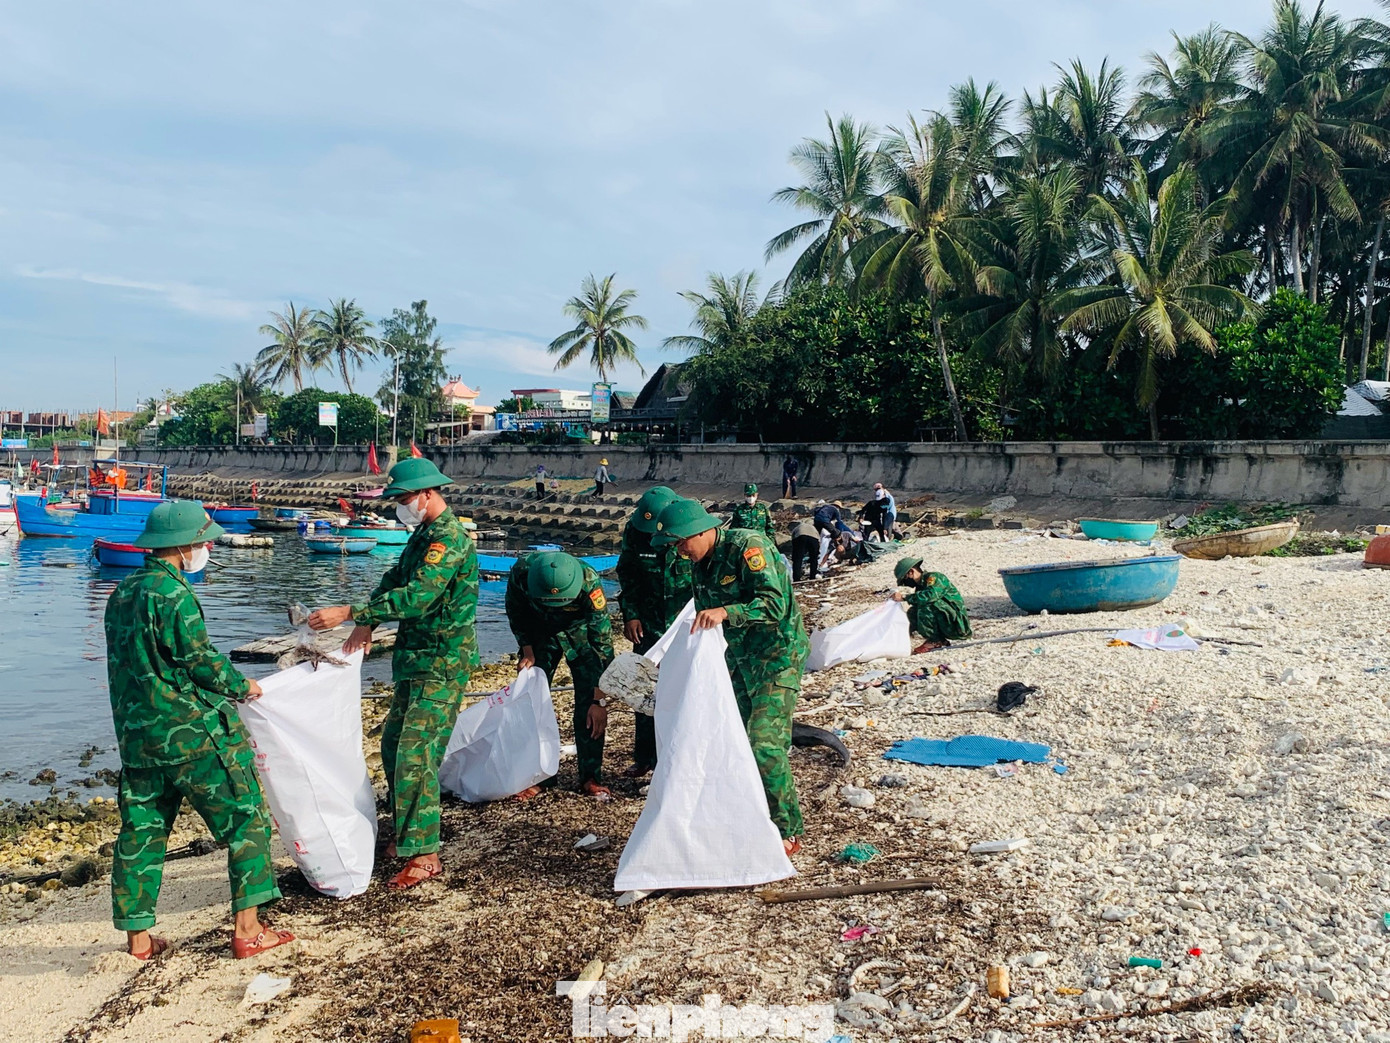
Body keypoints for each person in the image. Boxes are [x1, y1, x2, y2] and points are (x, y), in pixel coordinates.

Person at [104, 501, 291, 961]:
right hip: (192, 735)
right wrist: (242, 685)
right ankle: (249, 931)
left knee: (141, 835)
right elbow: (199, 661)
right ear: (183, 545)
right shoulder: (174, 595)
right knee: (246, 820)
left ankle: (139, 942)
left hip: (138, 741)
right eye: (203, 540)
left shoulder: (121, 592)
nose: (207, 547)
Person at [308, 457, 479, 890]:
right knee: (392, 745)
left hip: (442, 663)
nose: (400, 507)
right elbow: (395, 578)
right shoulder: (423, 534)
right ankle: (406, 834)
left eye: (404, 499)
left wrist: (350, 613)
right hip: (416, 660)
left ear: (427, 494)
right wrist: (368, 621)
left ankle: (425, 853)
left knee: (415, 754)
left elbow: (419, 597)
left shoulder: (449, 540)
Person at [653, 498, 808, 855]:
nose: (679, 551)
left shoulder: (748, 546)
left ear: (702, 531)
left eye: (681, 542)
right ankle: (750, 814)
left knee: (763, 742)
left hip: (777, 657)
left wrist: (727, 611)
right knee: (733, 738)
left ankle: (788, 829)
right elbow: (696, 615)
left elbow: (774, 604)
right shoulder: (699, 564)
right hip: (739, 658)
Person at [505, 551, 615, 798]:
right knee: (532, 702)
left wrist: (600, 700)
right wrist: (527, 649)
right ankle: (539, 776)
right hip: (539, 631)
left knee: (589, 708)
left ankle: (590, 777)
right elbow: (515, 611)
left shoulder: (589, 581)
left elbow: (603, 644)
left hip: (580, 633)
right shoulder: (522, 573)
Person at [614, 485, 693, 776]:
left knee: (685, 691)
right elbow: (628, 572)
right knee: (645, 691)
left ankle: (677, 758)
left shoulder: (689, 525)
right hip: (647, 624)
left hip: (686, 624)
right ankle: (645, 757)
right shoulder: (635, 531)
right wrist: (631, 615)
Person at [893, 556, 972, 654]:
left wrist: (904, 597)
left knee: (925, 606)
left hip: (957, 624)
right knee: (913, 611)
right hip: (946, 620)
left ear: (911, 572)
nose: (906, 583)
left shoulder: (935, 578)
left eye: (905, 578)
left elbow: (931, 596)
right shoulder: (921, 586)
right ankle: (939, 639)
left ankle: (934, 641)